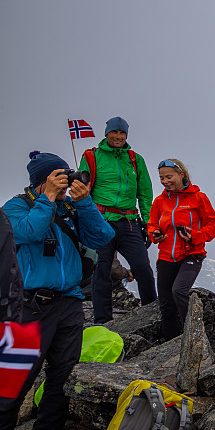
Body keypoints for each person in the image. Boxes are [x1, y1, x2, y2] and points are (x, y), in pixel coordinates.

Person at [0, 152, 115, 430]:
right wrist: (47, 198)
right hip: (28, 306)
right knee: (12, 383)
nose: (66, 182)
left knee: (62, 380)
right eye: (58, 177)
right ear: (41, 180)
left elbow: (103, 237)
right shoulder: (14, 208)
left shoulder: (69, 208)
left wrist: (85, 203)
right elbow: (31, 233)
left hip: (69, 304)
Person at [81, 116, 157, 323]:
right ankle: (102, 321)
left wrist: (148, 223)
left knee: (142, 267)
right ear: (107, 134)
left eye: (122, 133)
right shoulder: (91, 157)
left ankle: (152, 313)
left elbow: (145, 194)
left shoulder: (135, 159)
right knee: (102, 270)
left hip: (129, 221)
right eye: (115, 132)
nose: (118, 136)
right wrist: (87, 220)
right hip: (100, 220)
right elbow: (82, 191)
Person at [147, 159, 215, 340]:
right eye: (162, 178)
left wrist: (195, 236)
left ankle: (194, 335)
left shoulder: (198, 198)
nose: (165, 181)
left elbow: (214, 225)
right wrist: (155, 234)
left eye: (169, 177)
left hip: (191, 254)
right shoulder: (159, 201)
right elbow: (152, 224)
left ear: (182, 175)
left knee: (179, 291)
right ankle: (171, 342)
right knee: (166, 304)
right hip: (166, 256)